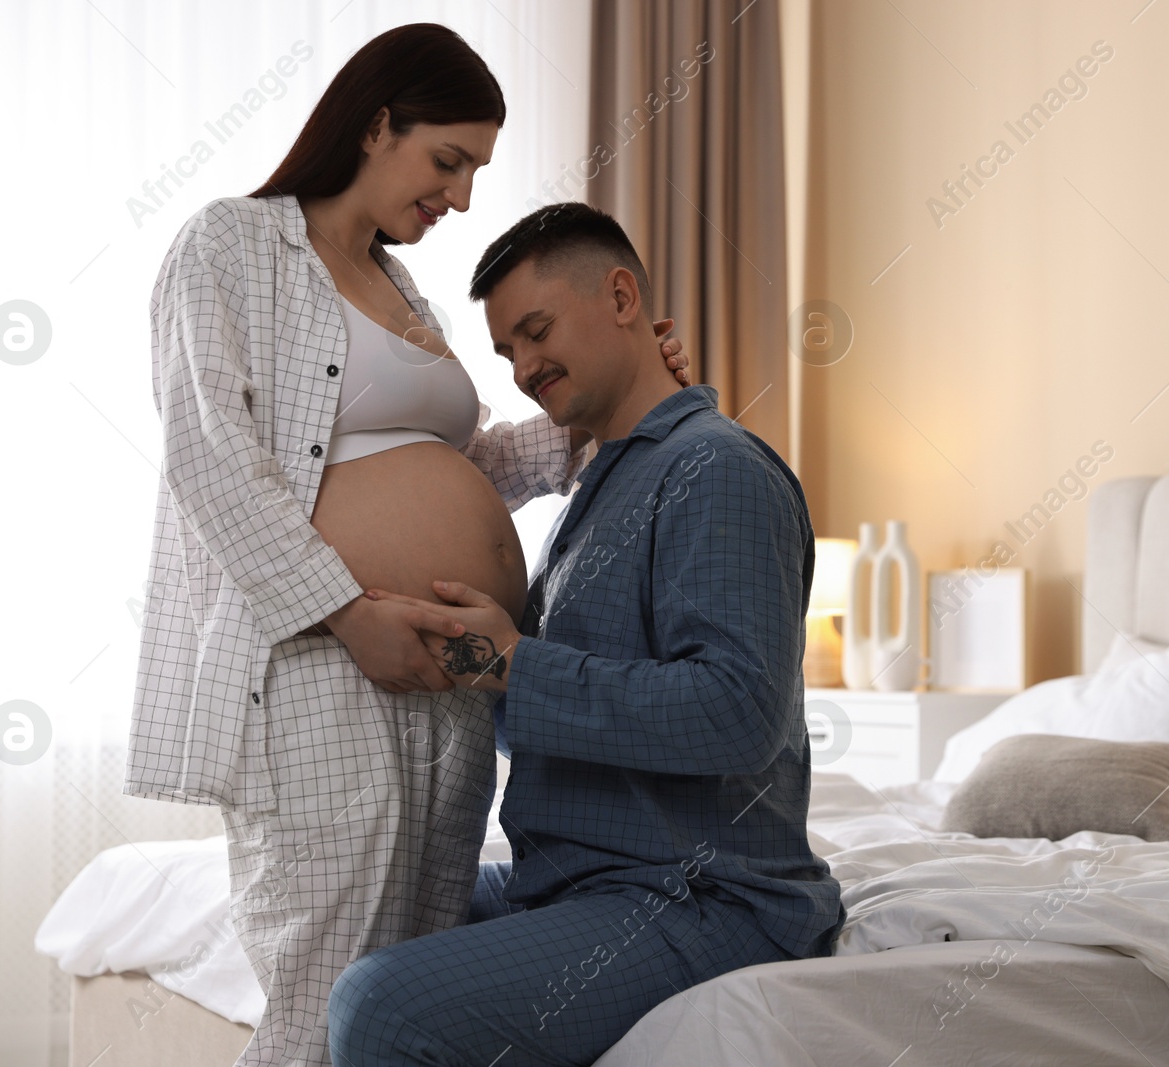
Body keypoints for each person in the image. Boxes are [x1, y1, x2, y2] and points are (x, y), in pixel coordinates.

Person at [123, 27, 687, 1067]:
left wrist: (608, 394)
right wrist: (349, 613)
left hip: (451, 681)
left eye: (474, 170)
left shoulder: (400, 288)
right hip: (322, 661)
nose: (463, 197)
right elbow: (214, 458)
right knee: (324, 995)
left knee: (414, 996)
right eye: (448, 161)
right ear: (377, 123)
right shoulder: (234, 246)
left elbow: (468, 465)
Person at [327, 202, 844, 1066]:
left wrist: (511, 661)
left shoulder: (717, 470)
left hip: (699, 897)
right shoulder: (604, 485)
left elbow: (737, 713)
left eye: (536, 331)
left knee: (381, 1004)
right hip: (577, 881)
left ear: (619, 296)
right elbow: (547, 707)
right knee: (360, 930)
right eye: (507, 353)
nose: (525, 368)